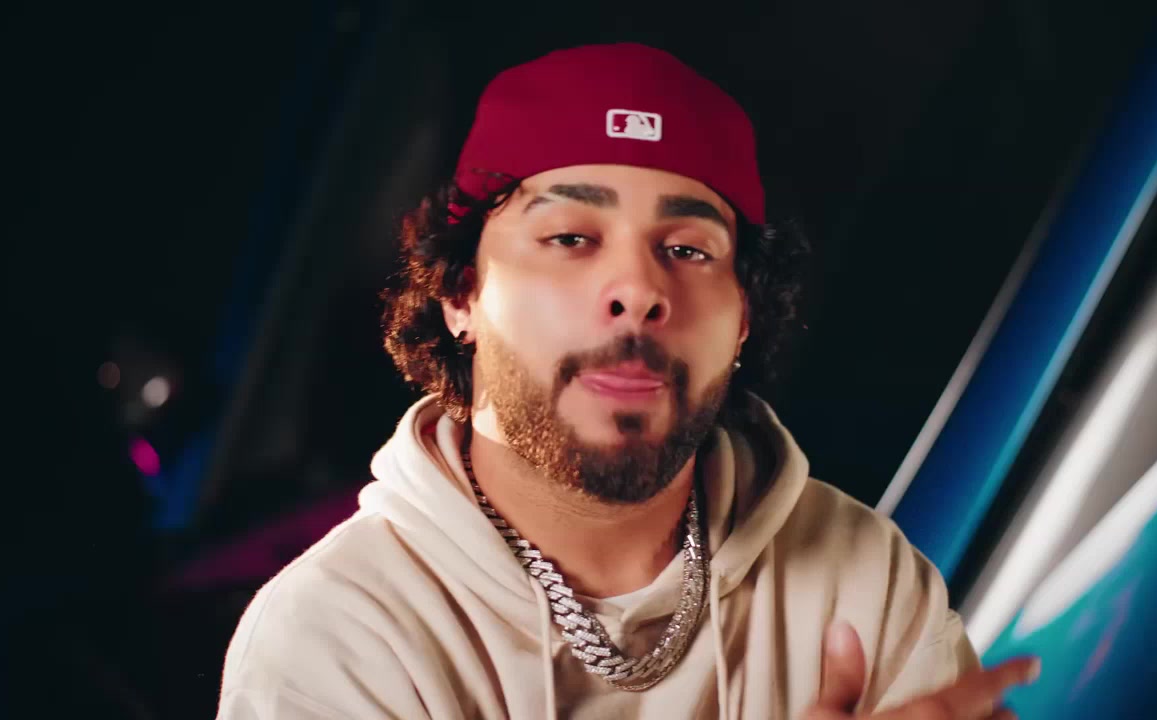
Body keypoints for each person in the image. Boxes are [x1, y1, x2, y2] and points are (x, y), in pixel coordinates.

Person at [216, 43, 1039, 719]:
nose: (640, 289)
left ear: (744, 318)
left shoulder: (863, 577)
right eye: (571, 237)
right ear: (461, 294)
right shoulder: (339, 635)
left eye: (687, 249)